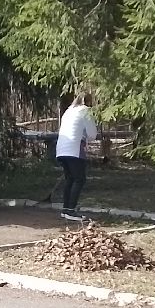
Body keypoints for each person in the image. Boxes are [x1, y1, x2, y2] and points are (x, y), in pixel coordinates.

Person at [54, 93, 99, 221]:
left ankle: (66, 209)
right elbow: (92, 134)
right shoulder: (85, 111)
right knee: (79, 179)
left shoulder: (68, 111)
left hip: (61, 149)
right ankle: (71, 210)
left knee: (70, 179)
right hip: (75, 149)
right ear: (87, 101)